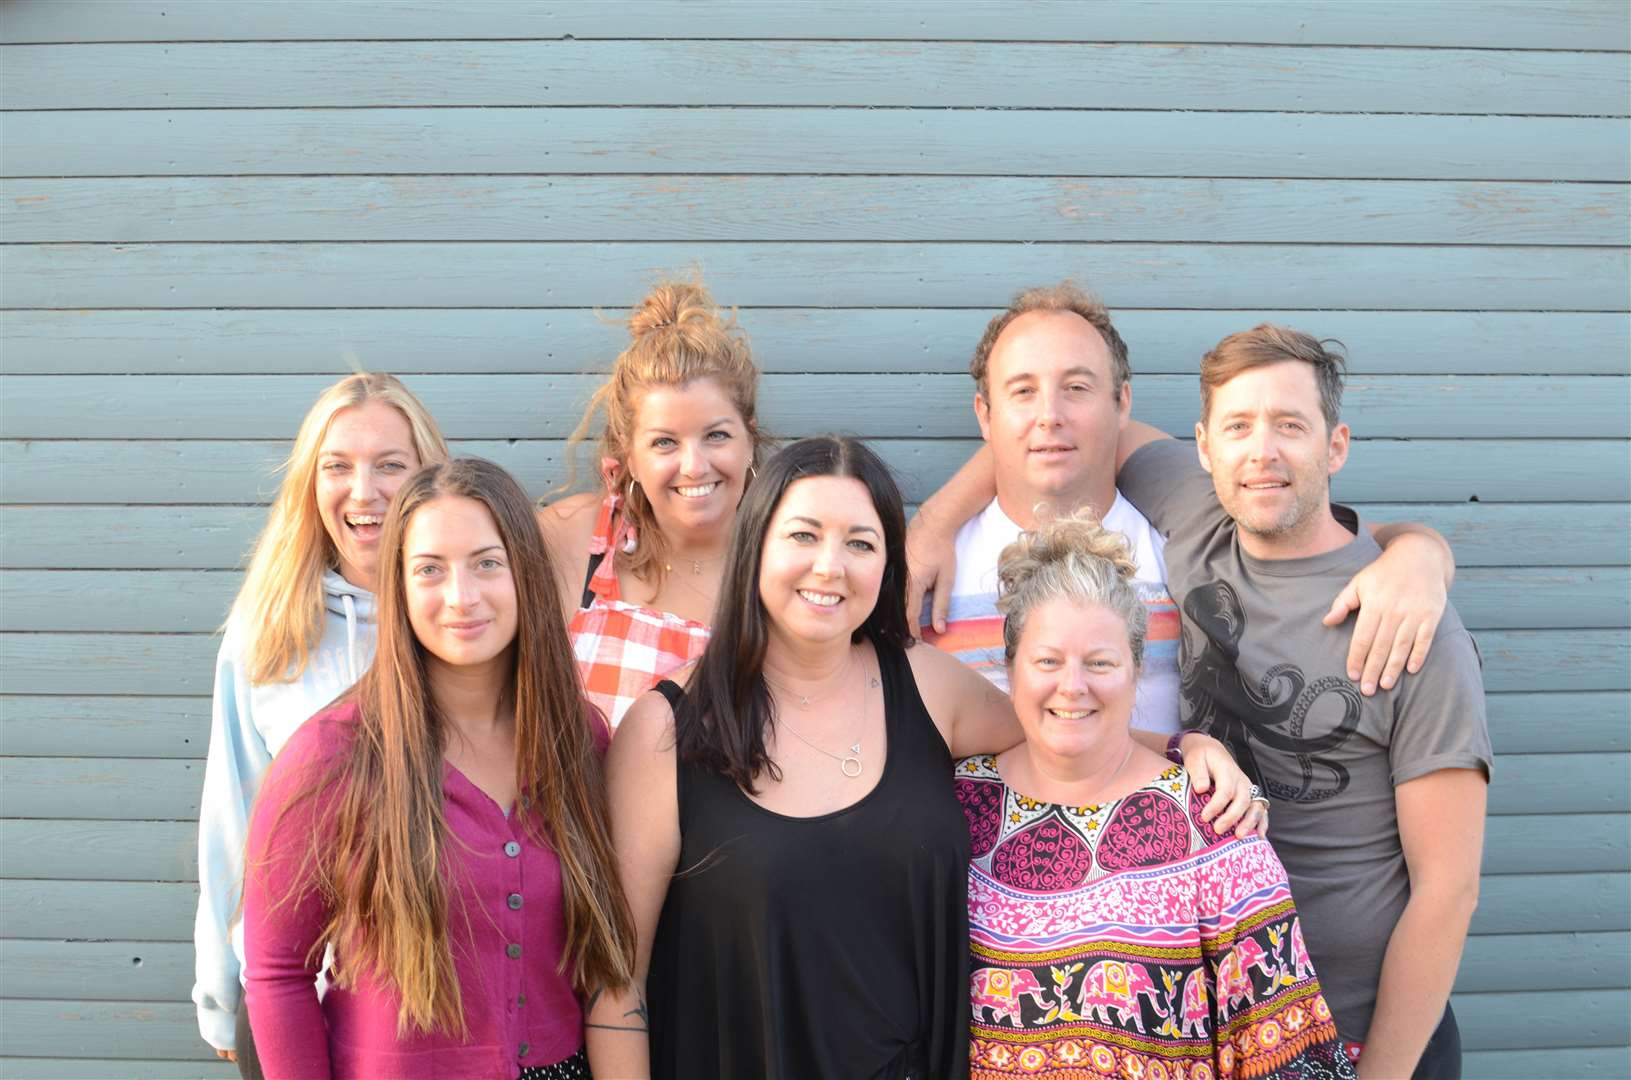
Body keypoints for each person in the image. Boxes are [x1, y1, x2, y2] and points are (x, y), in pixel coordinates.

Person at [588, 436, 1257, 1080]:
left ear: (885, 568)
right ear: (755, 544)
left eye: (859, 542)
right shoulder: (665, 732)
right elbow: (618, 988)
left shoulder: (924, 685)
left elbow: (1057, 728)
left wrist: (1183, 747)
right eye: (802, 535)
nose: (830, 566)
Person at [1113, 325, 1491, 1078]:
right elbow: (1066, 421)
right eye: (1238, 426)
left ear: (1335, 446)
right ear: (1202, 446)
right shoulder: (1195, 522)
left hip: (1359, 1036)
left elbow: (1449, 892)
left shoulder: (1408, 625)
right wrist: (928, 528)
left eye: (1290, 425)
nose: (1262, 451)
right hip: (1214, 1026)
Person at [908, 283, 1457, 733]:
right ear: (985, 414)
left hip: (1167, 853)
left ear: (1122, 402)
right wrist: (932, 522)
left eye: (1077, 387)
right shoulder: (922, 571)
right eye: (1022, 392)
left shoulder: (1188, 536)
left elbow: (1325, 543)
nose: (1050, 415)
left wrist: (1419, 553)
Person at [243, 458, 636, 1079]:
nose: (462, 597)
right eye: (430, 569)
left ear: (525, 575)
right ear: (398, 584)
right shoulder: (331, 757)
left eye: (486, 562)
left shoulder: (579, 739)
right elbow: (275, 974)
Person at [958, 510, 1356, 1080]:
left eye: (1100, 663)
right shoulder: (956, 805)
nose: (1073, 686)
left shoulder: (1213, 822)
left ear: (1137, 670)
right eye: (1047, 661)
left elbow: (1290, 1057)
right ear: (1010, 667)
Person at [192, 372, 449, 1073]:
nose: (363, 492)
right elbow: (233, 813)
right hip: (291, 998)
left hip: (446, 1002)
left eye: (390, 465)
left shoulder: (468, 618)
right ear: (311, 483)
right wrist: (219, 987)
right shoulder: (270, 633)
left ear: (430, 480)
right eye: (337, 466)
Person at [539, 279, 769, 729]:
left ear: (750, 440)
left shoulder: (786, 558)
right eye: (664, 442)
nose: (694, 466)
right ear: (631, 457)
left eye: (716, 435)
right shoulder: (572, 538)